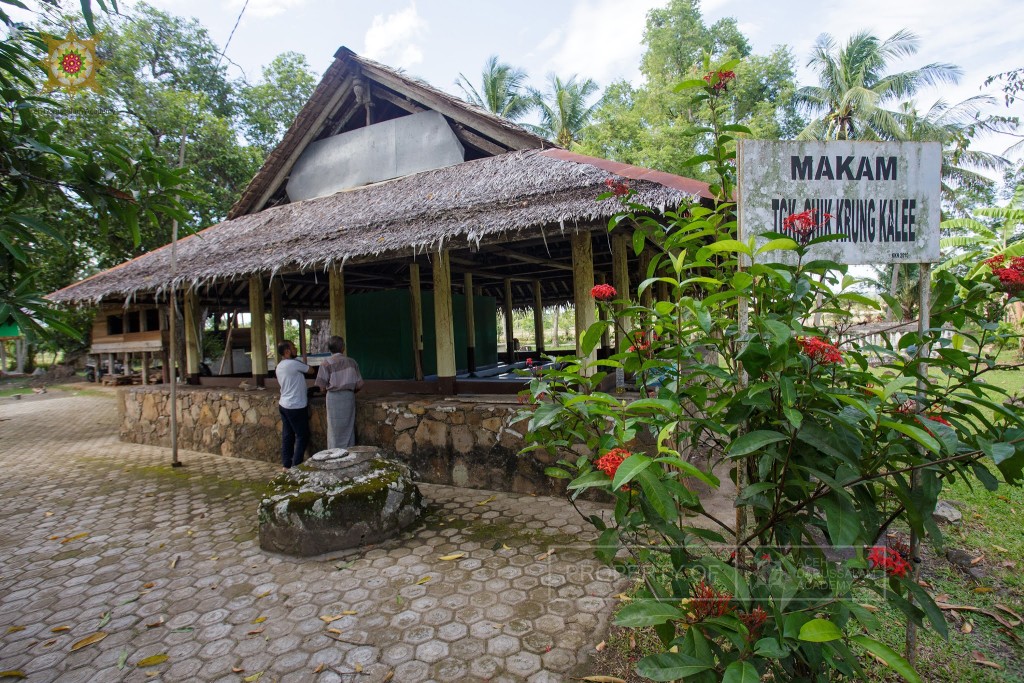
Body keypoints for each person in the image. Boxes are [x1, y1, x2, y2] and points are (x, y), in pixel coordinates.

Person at [315, 335, 364, 449]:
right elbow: (360, 384)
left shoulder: (325, 363)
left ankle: (334, 452)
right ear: (343, 348)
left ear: (330, 349)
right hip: (348, 397)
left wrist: (328, 391)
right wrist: (349, 391)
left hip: (333, 398)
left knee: (334, 427)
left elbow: (321, 387)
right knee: (348, 426)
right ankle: (348, 451)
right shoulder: (352, 362)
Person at [275, 340, 310, 469]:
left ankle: (286, 465)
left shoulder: (279, 366)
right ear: (287, 351)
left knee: (288, 435)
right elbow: (310, 370)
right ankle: (297, 465)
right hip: (296, 406)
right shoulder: (294, 364)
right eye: (294, 347)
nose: (296, 349)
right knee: (302, 436)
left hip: (284, 404)